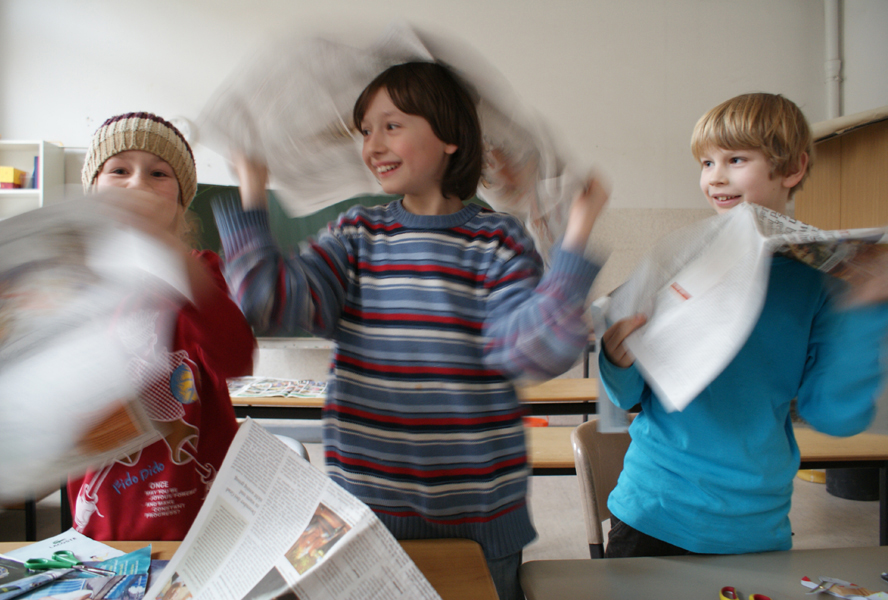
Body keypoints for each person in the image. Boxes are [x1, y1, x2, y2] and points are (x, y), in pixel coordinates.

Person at [215, 62, 608, 600]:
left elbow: (531, 350)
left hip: (478, 520)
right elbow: (267, 299)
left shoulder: (497, 240)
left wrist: (574, 241)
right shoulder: (356, 234)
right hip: (365, 514)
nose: (373, 144)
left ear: (449, 136)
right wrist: (252, 194)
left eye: (392, 125)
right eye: (365, 130)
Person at [599, 93, 888, 558]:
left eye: (736, 159)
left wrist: (866, 310)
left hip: (755, 523)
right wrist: (616, 357)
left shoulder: (825, 280)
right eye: (706, 162)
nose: (715, 176)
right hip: (653, 508)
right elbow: (626, 397)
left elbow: (836, 415)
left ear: (791, 170)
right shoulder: (681, 257)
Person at [67, 112, 257, 540]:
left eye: (158, 174)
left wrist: (168, 258)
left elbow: (237, 356)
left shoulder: (197, 272)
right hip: (105, 529)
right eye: (119, 170)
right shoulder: (74, 286)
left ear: (180, 200)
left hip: (199, 523)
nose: (138, 185)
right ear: (93, 190)